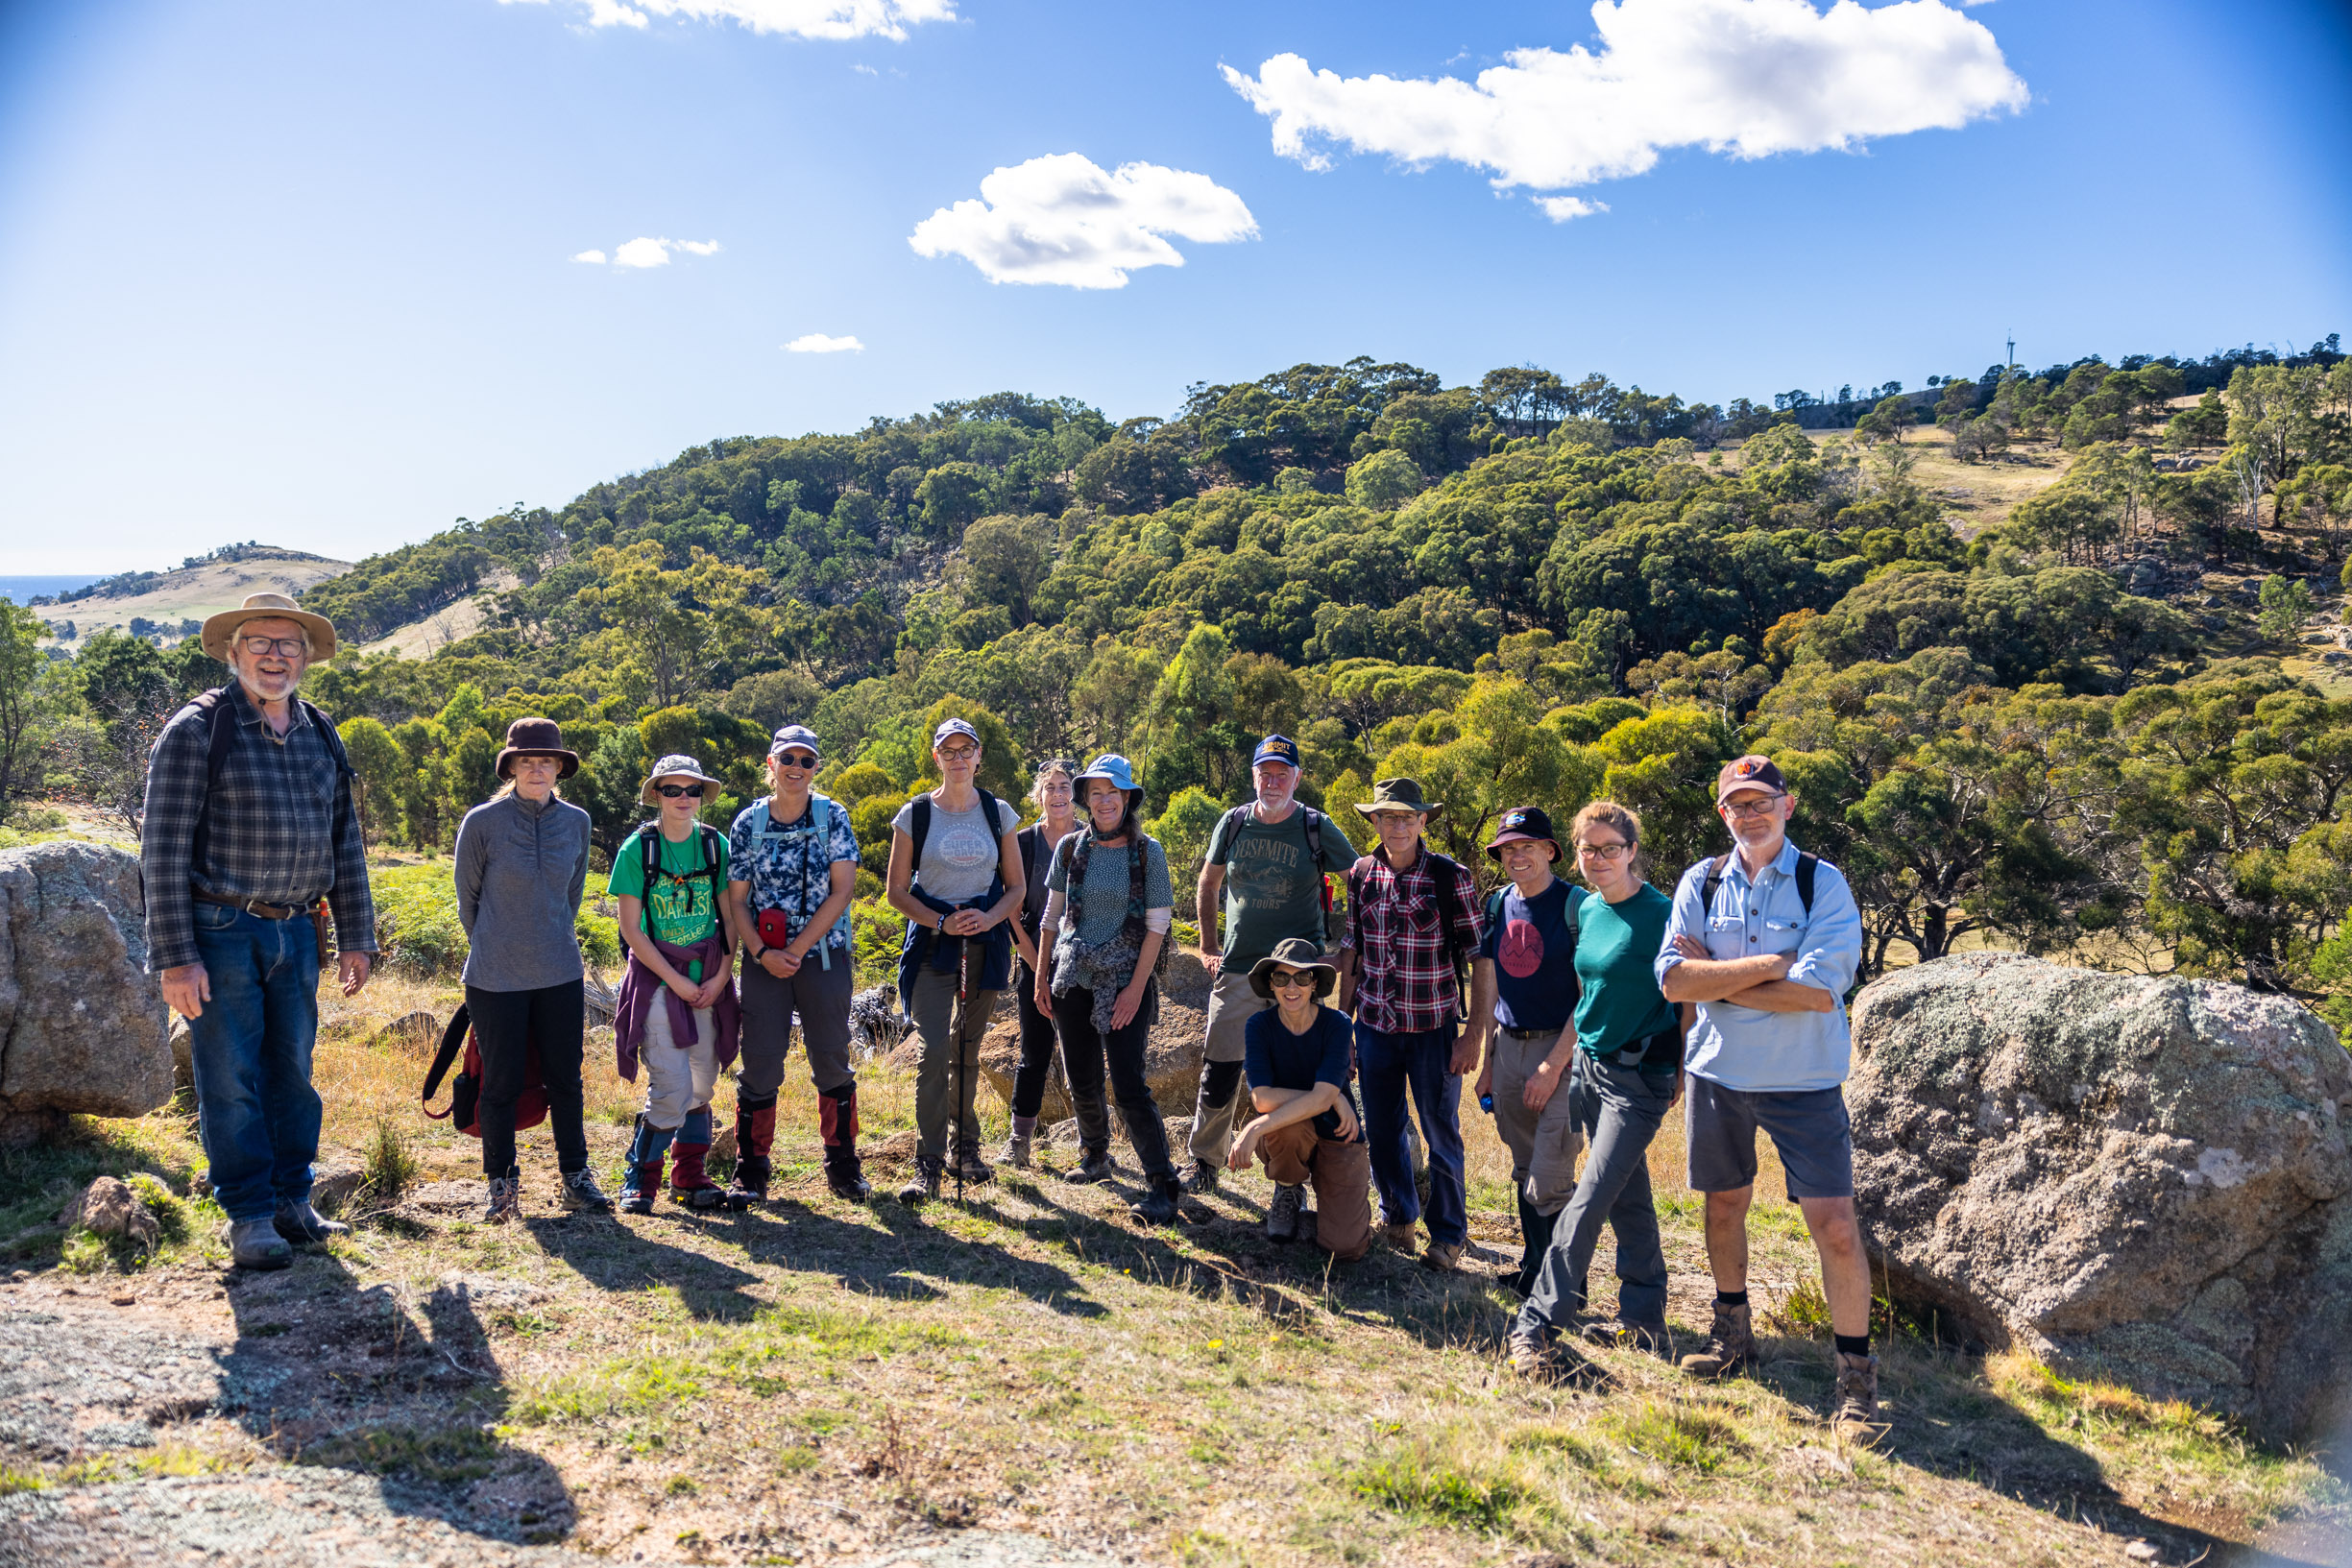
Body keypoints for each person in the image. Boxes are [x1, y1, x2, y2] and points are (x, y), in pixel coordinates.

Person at [142, 592, 377, 1270]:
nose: (276, 656)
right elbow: (160, 849)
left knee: (293, 1072)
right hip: (219, 929)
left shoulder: (319, 731)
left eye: (289, 645)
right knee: (229, 1073)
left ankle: (292, 1201)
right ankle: (247, 1214)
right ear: (233, 651)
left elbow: (345, 841)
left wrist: (357, 934)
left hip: (300, 930)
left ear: (305, 656)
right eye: (261, 643)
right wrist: (175, 958)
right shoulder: (196, 730)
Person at [1657, 755, 1874, 1426]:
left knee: (1834, 1226)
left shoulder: (1821, 883)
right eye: (1735, 804)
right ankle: (1732, 1333)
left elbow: (1816, 993)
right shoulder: (1702, 878)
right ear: (1722, 812)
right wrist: (1771, 965)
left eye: (1760, 801)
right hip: (1717, 1071)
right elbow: (1671, 980)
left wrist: (1716, 975)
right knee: (1723, 1205)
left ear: (1788, 804)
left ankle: (1855, 1378)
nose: (1748, 813)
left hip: (1804, 1080)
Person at [1504, 802, 1688, 1380]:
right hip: (1589, 1069)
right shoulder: (1586, 908)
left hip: (1640, 1080)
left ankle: (1536, 1324)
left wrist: (1682, 1070)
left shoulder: (1663, 915)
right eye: (1589, 848)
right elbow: (1586, 992)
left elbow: (1686, 998)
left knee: (1588, 1199)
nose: (1599, 859)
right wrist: (1567, 1062)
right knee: (1628, 1199)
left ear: (1633, 851)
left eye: (1611, 848)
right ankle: (1645, 1320)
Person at [1183, 735, 1359, 1194]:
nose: (1273, 781)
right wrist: (1207, 945)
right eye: (1265, 773)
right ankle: (1204, 1161)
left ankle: (1296, 1180)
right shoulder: (1235, 822)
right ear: (1254, 775)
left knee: (1298, 1073)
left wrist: (1345, 949)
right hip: (1240, 967)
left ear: (1297, 778)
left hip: (1298, 973)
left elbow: (1360, 883)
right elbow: (1208, 882)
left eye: (1283, 773)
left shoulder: (1316, 827)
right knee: (1219, 1068)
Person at [452, 717, 609, 1222]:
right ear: (511, 767)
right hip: (495, 977)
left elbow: (572, 896)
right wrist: (501, 947)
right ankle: (501, 1187)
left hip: (561, 971)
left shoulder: (577, 823)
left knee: (566, 1080)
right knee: (500, 1084)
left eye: (547, 761)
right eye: (527, 761)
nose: (538, 769)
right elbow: (467, 902)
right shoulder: (482, 823)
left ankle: (576, 1180)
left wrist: (545, 939)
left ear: (561, 767)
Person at [1334, 778, 1489, 1272]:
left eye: (1407, 817)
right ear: (1374, 822)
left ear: (1423, 821)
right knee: (1381, 1130)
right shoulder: (1361, 874)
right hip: (1375, 1026)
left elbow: (1480, 956)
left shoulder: (1450, 876)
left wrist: (1473, 1036)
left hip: (1434, 1031)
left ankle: (1447, 1236)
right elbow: (1353, 952)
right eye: (1388, 817)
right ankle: (1397, 1218)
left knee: (1440, 1132)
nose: (1397, 825)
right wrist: (1345, 1026)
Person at [1033, 756, 1183, 1223]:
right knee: (1080, 1073)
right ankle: (1095, 1155)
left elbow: (1158, 926)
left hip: (1125, 980)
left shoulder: (1148, 852)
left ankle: (1162, 1182)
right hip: (1071, 976)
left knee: (1129, 1083)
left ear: (1127, 799)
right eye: (1095, 793)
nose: (1103, 801)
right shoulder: (1071, 849)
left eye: (1112, 793)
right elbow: (1052, 918)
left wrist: (1136, 991)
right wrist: (1041, 976)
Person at [723, 723, 866, 1203]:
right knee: (761, 1060)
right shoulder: (748, 824)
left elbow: (843, 890)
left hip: (822, 955)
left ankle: (843, 1165)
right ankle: (751, 1169)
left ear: (816, 768)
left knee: (830, 1056)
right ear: (771, 764)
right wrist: (764, 954)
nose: (796, 769)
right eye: (787, 759)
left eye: (806, 761)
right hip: (764, 960)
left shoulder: (833, 816)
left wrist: (798, 949)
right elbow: (738, 901)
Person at [886, 718, 1026, 1202]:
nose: (959, 758)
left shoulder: (997, 811)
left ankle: (965, 1148)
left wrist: (989, 921)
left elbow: (1017, 889)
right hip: (933, 942)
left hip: (985, 943)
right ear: (936, 757)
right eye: (949, 751)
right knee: (932, 1053)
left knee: (967, 1050)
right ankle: (928, 1163)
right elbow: (896, 892)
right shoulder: (916, 814)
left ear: (979, 755)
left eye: (967, 749)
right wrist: (941, 923)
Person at [612, 754, 741, 1215]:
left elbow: (729, 917)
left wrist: (723, 975)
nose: (683, 798)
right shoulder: (638, 850)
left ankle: (688, 1177)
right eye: (672, 790)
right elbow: (632, 930)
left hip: (709, 980)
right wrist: (676, 983)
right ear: (657, 796)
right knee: (671, 1088)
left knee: (703, 1085)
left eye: (692, 790)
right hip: (659, 985)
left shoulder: (715, 846)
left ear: (702, 796)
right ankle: (640, 1179)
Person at [1469, 806, 1580, 1297]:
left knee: (1550, 1176)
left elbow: (1590, 994)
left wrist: (1553, 1066)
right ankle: (1536, 1269)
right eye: (1508, 849)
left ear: (1551, 851)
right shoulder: (1498, 905)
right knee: (1523, 1166)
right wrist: (1490, 1059)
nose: (1517, 856)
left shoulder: (1578, 907)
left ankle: (1566, 1285)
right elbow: (1491, 983)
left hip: (1564, 1052)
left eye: (1528, 847)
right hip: (1509, 1048)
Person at [1228, 939, 1372, 1261]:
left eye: (1302, 978)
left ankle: (1336, 1195)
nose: (1291, 987)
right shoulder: (1259, 1026)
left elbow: (1302, 1101)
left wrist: (1254, 1128)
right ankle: (1289, 1186)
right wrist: (1331, 1098)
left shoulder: (1336, 1024)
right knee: (1289, 1128)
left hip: (1338, 1137)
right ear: (1271, 984)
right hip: (1290, 1136)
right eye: (1281, 978)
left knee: (1345, 1247)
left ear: (1314, 985)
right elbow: (1262, 1098)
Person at [1005, 759, 1107, 1176]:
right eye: (1051, 787)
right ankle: (1019, 1143)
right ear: (1039, 796)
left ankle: (1094, 1149)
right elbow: (1012, 908)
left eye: (1066, 786)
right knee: (1034, 1053)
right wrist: (1037, 965)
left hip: (1083, 963)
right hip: (1033, 955)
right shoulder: (1023, 842)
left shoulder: (1093, 840)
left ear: (1075, 794)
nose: (1059, 794)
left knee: (1085, 1057)